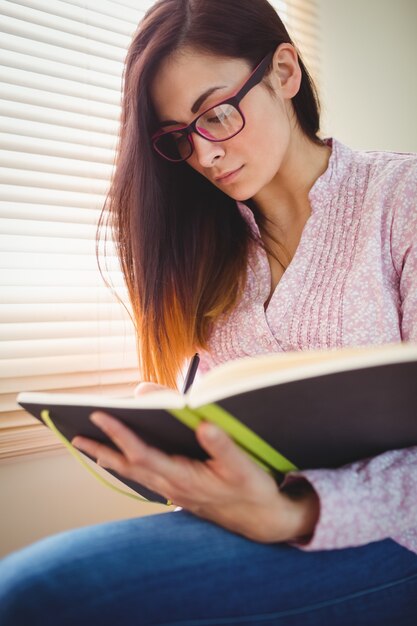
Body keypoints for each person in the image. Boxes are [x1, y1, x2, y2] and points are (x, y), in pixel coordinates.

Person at [1, 0, 417, 623]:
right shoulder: (212, 251)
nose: (204, 156)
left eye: (216, 114)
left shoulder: (400, 200)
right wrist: (174, 450)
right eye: (178, 137)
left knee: (42, 589)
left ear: (284, 72)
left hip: (392, 535)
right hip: (244, 525)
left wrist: (294, 512)